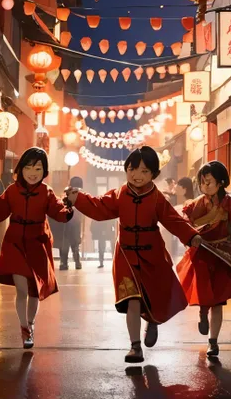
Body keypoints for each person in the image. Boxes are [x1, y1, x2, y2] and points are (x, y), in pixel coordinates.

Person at [65, 146, 199, 364]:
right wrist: (77, 198)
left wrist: (191, 236)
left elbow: (173, 220)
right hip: (126, 255)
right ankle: (135, 347)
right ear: (126, 170)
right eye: (132, 169)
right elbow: (99, 207)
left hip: (152, 254)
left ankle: (153, 321)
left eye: (145, 171)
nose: (137, 175)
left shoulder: (157, 198)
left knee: (153, 297)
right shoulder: (119, 195)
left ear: (154, 174)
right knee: (133, 300)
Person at [0, 147, 72, 348]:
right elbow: (0, 211)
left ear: (44, 171)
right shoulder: (11, 191)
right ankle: (24, 327)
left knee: (34, 291)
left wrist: (67, 211)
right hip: (14, 242)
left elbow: (57, 210)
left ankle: (30, 325)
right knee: (22, 289)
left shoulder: (46, 192)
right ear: (21, 169)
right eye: (29, 167)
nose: (33, 172)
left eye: (38, 169)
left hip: (37, 242)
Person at [177, 161, 231, 358]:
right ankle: (202, 313)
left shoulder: (229, 203)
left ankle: (213, 342)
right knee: (205, 294)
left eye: (208, 182)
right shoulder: (195, 204)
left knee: (219, 300)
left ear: (221, 183)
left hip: (222, 255)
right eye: (202, 182)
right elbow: (183, 222)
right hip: (202, 254)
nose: (204, 186)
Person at [59, 175, 84, 270]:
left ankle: (64, 263)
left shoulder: (66, 193)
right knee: (75, 245)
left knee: (65, 245)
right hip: (75, 223)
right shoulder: (80, 194)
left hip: (66, 222)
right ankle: (77, 263)